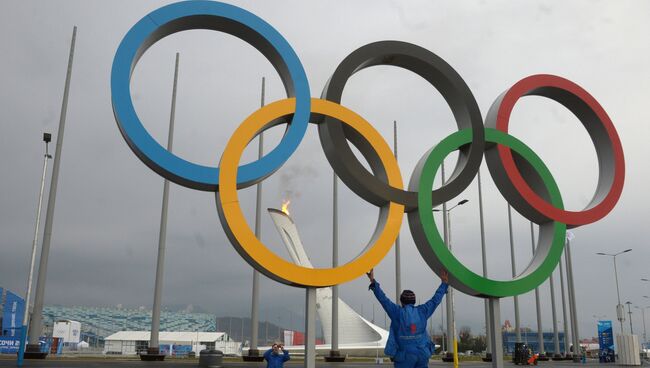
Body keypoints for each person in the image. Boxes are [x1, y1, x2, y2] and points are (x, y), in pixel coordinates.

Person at [367, 268, 448, 368]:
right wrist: (444, 283)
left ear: (401, 301)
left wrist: (373, 282)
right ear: (414, 301)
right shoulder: (422, 311)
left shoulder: (397, 312)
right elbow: (435, 300)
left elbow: (383, 299)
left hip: (404, 357)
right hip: (422, 354)